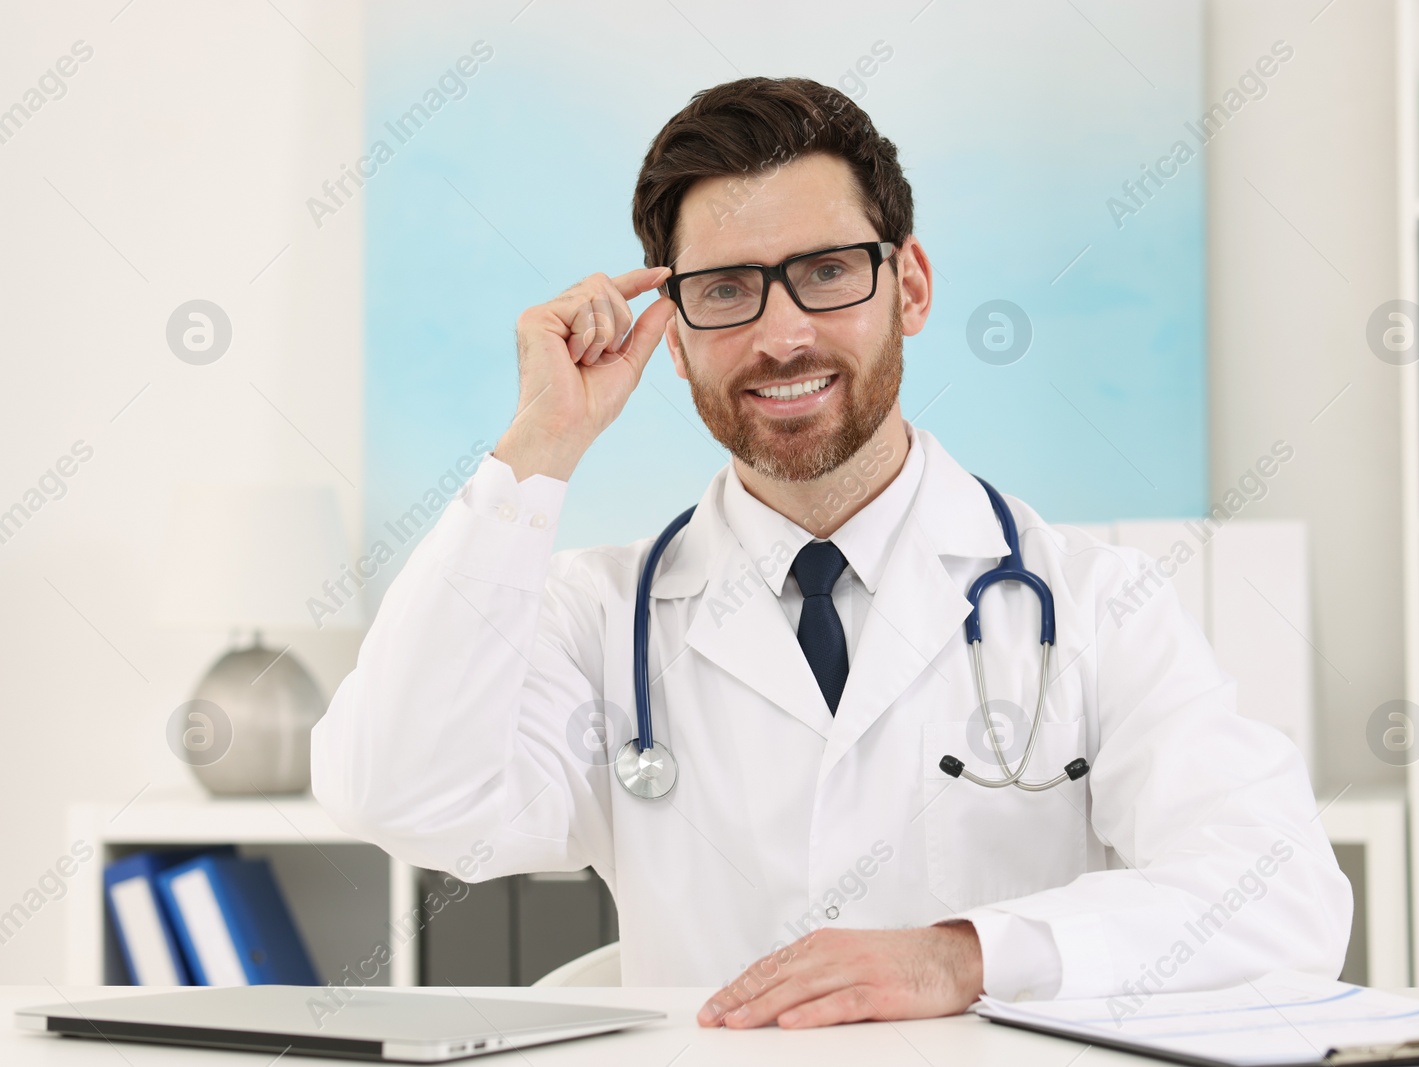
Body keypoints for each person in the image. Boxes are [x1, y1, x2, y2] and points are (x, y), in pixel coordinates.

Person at [311, 75, 1351, 1030]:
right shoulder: (601, 616)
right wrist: (537, 448)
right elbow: (396, 792)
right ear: (670, 334)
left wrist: (965, 956)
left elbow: (1282, 891)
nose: (781, 335)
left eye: (825, 273)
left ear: (911, 286)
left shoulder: (1092, 599)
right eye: (724, 289)